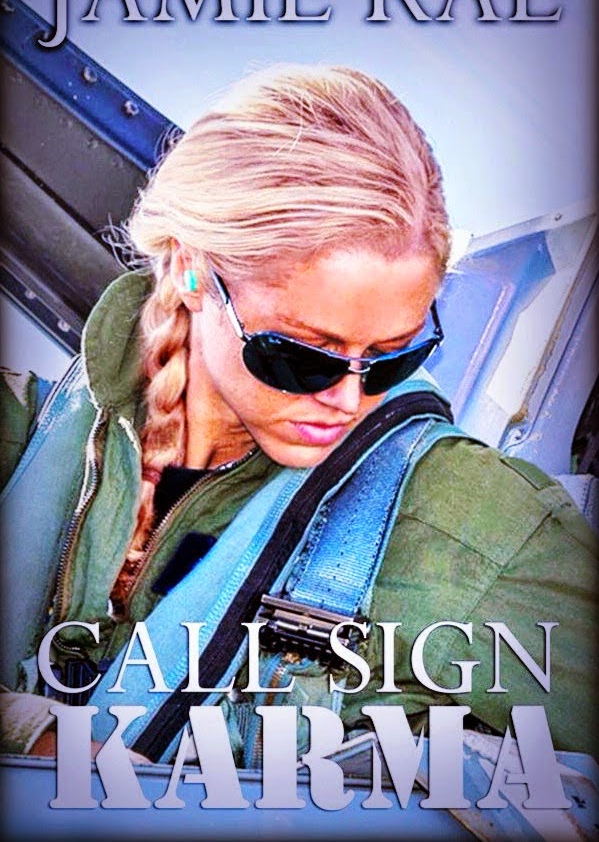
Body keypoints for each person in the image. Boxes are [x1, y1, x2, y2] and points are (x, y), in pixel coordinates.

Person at [0, 64, 596, 765]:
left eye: (393, 356)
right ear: (190, 271)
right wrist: (30, 736)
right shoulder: (22, 439)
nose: (348, 399)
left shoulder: (480, 529)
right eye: (302, 357)